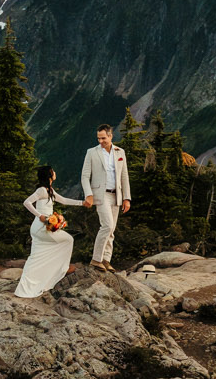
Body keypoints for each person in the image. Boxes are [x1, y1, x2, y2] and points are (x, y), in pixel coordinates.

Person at [14, 165, 77, 298]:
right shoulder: (42, 190)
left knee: (36, 257)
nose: (55, 172)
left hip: (40, 227)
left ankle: (25, 286)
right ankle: (61, 269)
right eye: (53, 171)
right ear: (49, 175)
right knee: (68, 240)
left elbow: (64, 200)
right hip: (42, 227)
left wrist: (84, 203)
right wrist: (40, 216)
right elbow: (27, 202)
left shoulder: (50, 190)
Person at [79, 123, 132, 270]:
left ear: (110, 136)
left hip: (117, 195)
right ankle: (96, 259)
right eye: (98, 138)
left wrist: (126, 198)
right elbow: (84, 176)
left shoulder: (120, 152)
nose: (100, 141)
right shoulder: (91, 152)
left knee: (111, 230)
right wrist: (89, 194)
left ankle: (106, 260)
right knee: (107, 225)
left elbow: (124, 176)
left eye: (103, 138)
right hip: (100, 195)